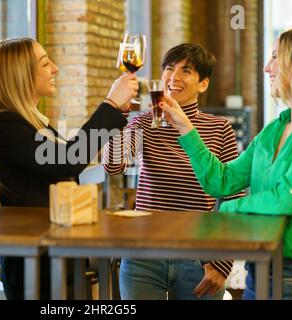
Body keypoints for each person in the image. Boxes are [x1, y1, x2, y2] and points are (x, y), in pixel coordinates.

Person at [0, 37, 139, 299]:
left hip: (52, 256)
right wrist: (109, 104)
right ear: (21, 74)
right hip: (33, 266)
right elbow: (70, 159)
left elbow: (67, 162)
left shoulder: (29, 122)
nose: (55, 68)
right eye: (44, 63)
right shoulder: (5, 124)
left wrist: (116, 111)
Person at [160, 28, 292, 300]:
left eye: (276, 57)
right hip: (261, 267)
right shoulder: (273, 130)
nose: (267, 67)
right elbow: (222, 181)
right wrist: (186, 128)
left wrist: (228, 210)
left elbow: (288, 199)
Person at [103, 43, 244, 300]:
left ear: (203, 84)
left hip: (199, 259)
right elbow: (114, 165)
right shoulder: (143, 122)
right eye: (169, 68)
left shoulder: (220, 128)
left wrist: (222, 263)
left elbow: (234, 197)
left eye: (186, 70)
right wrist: (117, 114)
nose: (174, 77)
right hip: (143, 256)